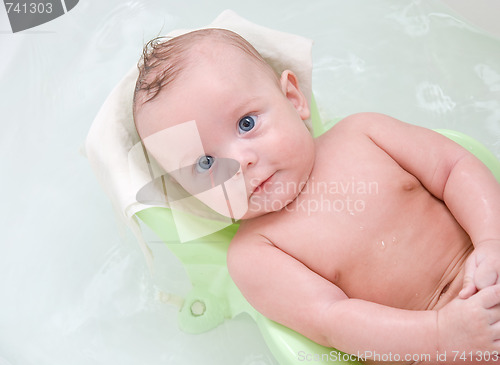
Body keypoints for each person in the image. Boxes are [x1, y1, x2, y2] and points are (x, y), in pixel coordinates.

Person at [132, 28, 500, 364]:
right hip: (425, 349)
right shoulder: (256, 254)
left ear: (293, 99)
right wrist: (442, 336)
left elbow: (454, 169)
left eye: (247, 123)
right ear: (193, 197)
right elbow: (333, 321)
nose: (240, 163)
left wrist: (490, 240)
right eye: (205, 163)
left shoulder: (365, 133)